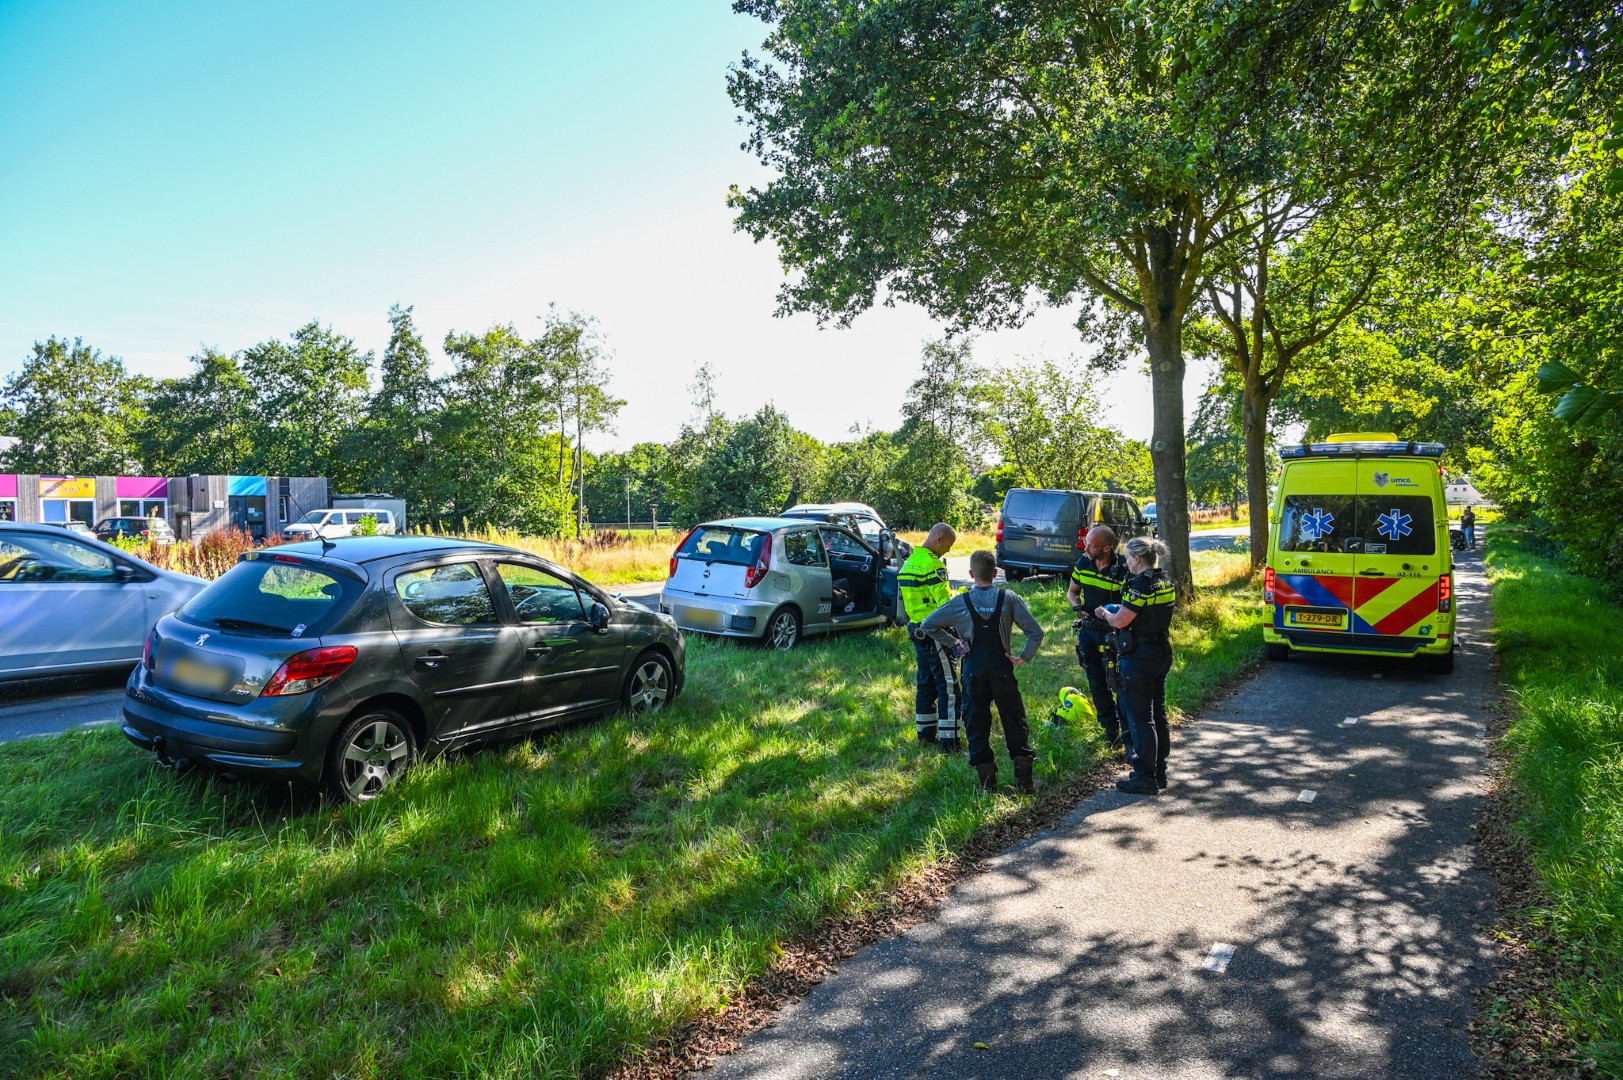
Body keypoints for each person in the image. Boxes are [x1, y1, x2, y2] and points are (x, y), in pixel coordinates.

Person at [921, 550, 1043, 793]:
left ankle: (987, 786)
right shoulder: (1009, 598)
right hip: (1003, 671)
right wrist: (1023, 658)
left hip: (973, 672)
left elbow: (928, 625)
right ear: (995, 573)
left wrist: (954, 643)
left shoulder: (960, 602)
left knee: (976, 723)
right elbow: (1036, 632)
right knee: (1014, 720)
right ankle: (1025, 783)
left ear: (970, 574)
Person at [1095, 536, 1177, 795]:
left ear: (1138, 558)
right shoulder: (1164, 579)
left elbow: (1121, 620)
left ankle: (1144, 776)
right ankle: (1159, 772)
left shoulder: (1140, 585)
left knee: (1141, 718)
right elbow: (1146, 612)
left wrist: (1106, 614)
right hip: (1161, 651)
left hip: (1140, 656)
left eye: (1128, 558)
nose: (1126, 562)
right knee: (1158, 714)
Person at [899, 522, 961, 751]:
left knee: (925, 684)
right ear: (938, 539)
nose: (949, 550)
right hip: (936, 633)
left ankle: (925, 736)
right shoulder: (933, 566)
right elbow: (945, 605)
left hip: (916, 630)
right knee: (949, 687)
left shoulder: (910, 563)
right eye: (949, 544)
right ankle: (950, 742)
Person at [1066, 525, 1128, 749]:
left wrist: (1112, 616)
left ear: (1107, 548)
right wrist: (1077, 608)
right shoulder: (1083, 563)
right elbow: (1072, 592)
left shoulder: (1123, 569)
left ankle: (1127, 729)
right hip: (1089, 631)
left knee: (1119, 680)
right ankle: (1110, 730)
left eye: (1091, 545)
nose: (1086, 547)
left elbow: (1130, 606)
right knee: (1095, 679)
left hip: (1115, 632)